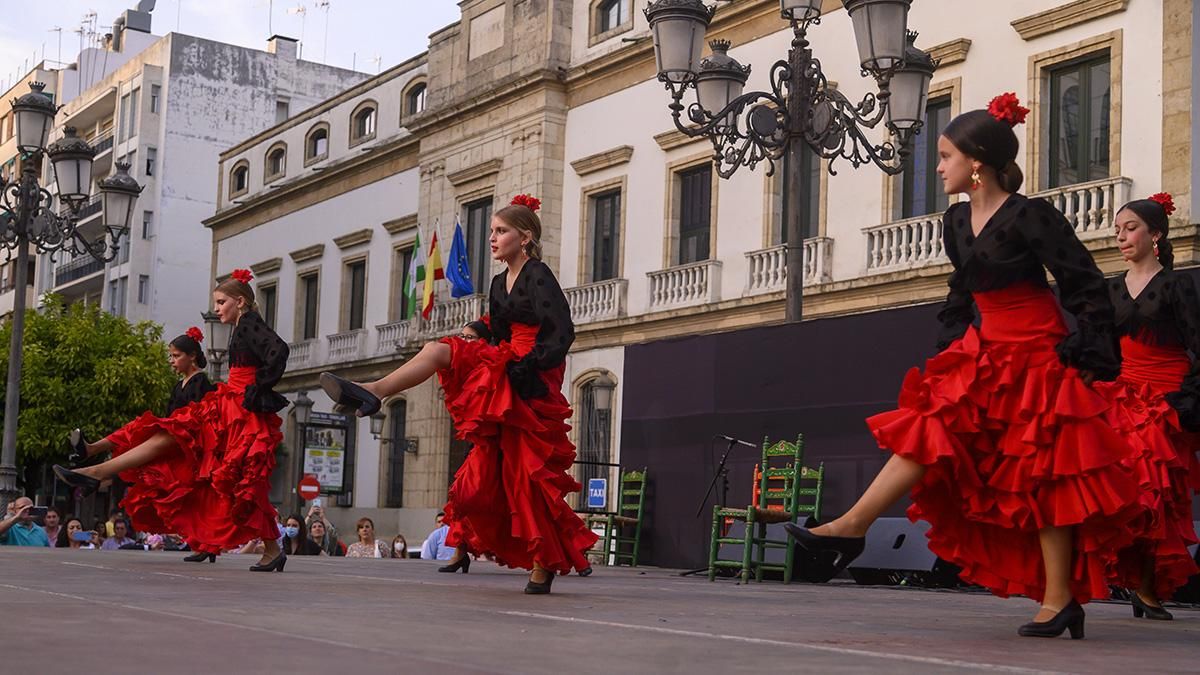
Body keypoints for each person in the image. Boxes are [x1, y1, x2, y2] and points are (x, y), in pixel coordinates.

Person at [784, 94, 1145, 639]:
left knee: (1046, 475)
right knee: (928, 429)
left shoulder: (1030, 215)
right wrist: (956, 339)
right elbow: (963, 286)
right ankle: (851, 526)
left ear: (976, 162)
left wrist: (1089, 353)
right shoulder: (956, 221)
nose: (938, 164)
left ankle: (1058, 600)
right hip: (986, 350)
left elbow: (1083, 281)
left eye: (946, 154)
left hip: (1036, 353)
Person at [320, 194, 597, 594]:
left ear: (525, 237)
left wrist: (528, 365)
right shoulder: (500, 282)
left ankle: (543, 560)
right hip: (508, 361)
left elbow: (560, 330)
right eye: (492, 231)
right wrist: (480, 331)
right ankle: (372, 390)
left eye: (500, 231)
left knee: (527, 473)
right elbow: (500, 327)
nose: (493, 238)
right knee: (438, 352)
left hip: (533, 374)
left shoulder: (539, 274)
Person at [52, 269, 290, 572]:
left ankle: (95, 467)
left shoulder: (248, 325)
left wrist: (257, 389)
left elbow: (278, 350)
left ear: (240, 301)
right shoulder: (243, 326)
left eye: (221, 302)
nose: (217, 309)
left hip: (238, 410)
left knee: (231, 477)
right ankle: (94, 466)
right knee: (178, 441)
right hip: (233, 406)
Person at [1095, 192, 1200, 620]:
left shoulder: (1177, 284)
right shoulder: (1112, 288)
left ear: (1155, 233)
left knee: (1161, 493)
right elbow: (1103, 350)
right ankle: (1134, 582)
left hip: (1167, 398)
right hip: (1123, 396)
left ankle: (1147, 586)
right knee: (1127, 493)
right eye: (1117, 229)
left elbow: (1198, 345)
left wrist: (1188, 398)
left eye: (1130, 228)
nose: (1121, 237)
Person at [67, 327, 219, 466]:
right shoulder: (179, 385)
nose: (171, 361)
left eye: (176, 356)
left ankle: (92, 452)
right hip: (172, 434)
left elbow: (199, 418)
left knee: (138, 428)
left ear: (192, 356)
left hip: (184, 439)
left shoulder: (200, 381)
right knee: (133, 428)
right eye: (170, 356)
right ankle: (92, 449)